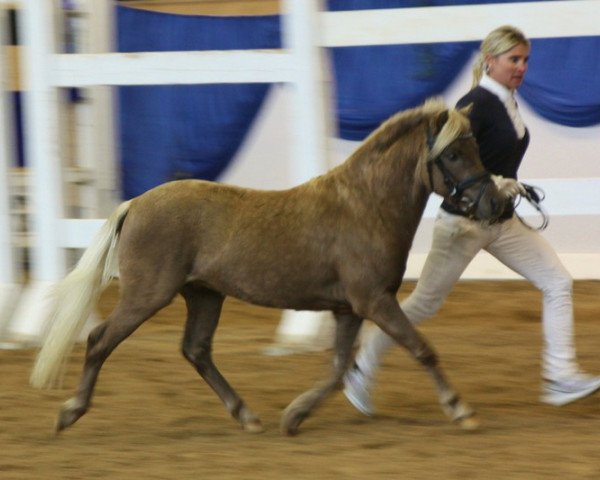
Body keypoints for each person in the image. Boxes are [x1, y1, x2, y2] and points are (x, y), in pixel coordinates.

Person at [343, 25, 600, 415]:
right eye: (514, 60)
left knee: (557, 282)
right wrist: (497, 181)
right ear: (491, 61)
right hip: (462, 225)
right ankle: (361, 369)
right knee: (423, 304)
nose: (521, 67)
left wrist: (507, 186)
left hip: (500, 221)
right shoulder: (474, 105)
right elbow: (452, 163)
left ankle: (559, 375)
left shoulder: (509, 102)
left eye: (525, 60)